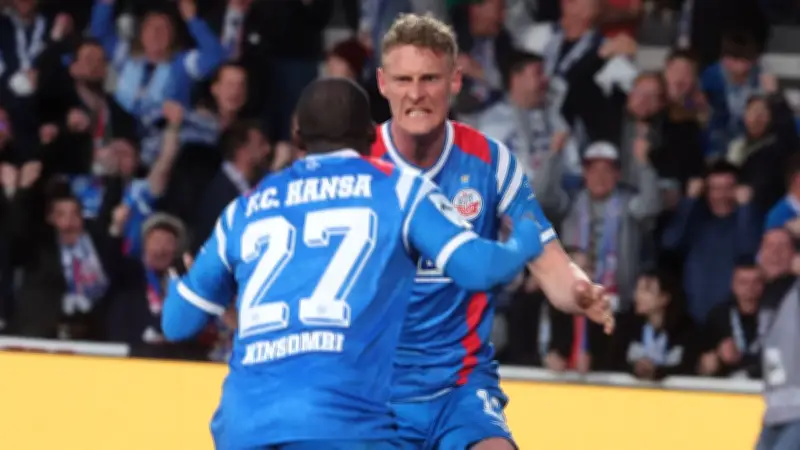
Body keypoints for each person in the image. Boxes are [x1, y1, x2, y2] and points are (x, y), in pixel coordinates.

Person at [160, 78, 550, 450]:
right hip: (341, 422)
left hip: (243, 425)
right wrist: (526, 240)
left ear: (297, 137)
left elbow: (176, 324)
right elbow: (479, 269)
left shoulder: (245, 208)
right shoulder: (401, 189)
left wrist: (181, 279)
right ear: (370, 134)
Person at [371, 14, 614, 450]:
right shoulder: (357, 166)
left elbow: (547, 257)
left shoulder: (490, 160)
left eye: (430, 78)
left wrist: (578, 290)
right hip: (373, 391)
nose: (416, 93)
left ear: (455, 81)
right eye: (403, 79)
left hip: (460, 388)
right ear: (382, 83)